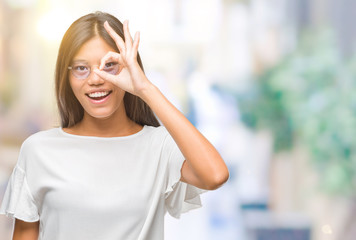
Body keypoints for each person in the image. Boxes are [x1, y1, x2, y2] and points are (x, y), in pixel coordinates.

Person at [0, 11, 229, 240]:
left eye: (109, 65)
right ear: (67, 78)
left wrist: (145, 89)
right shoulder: (38, 151)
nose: (96, 78)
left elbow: (215, 175)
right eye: (81, 68)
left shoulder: (158, 146)